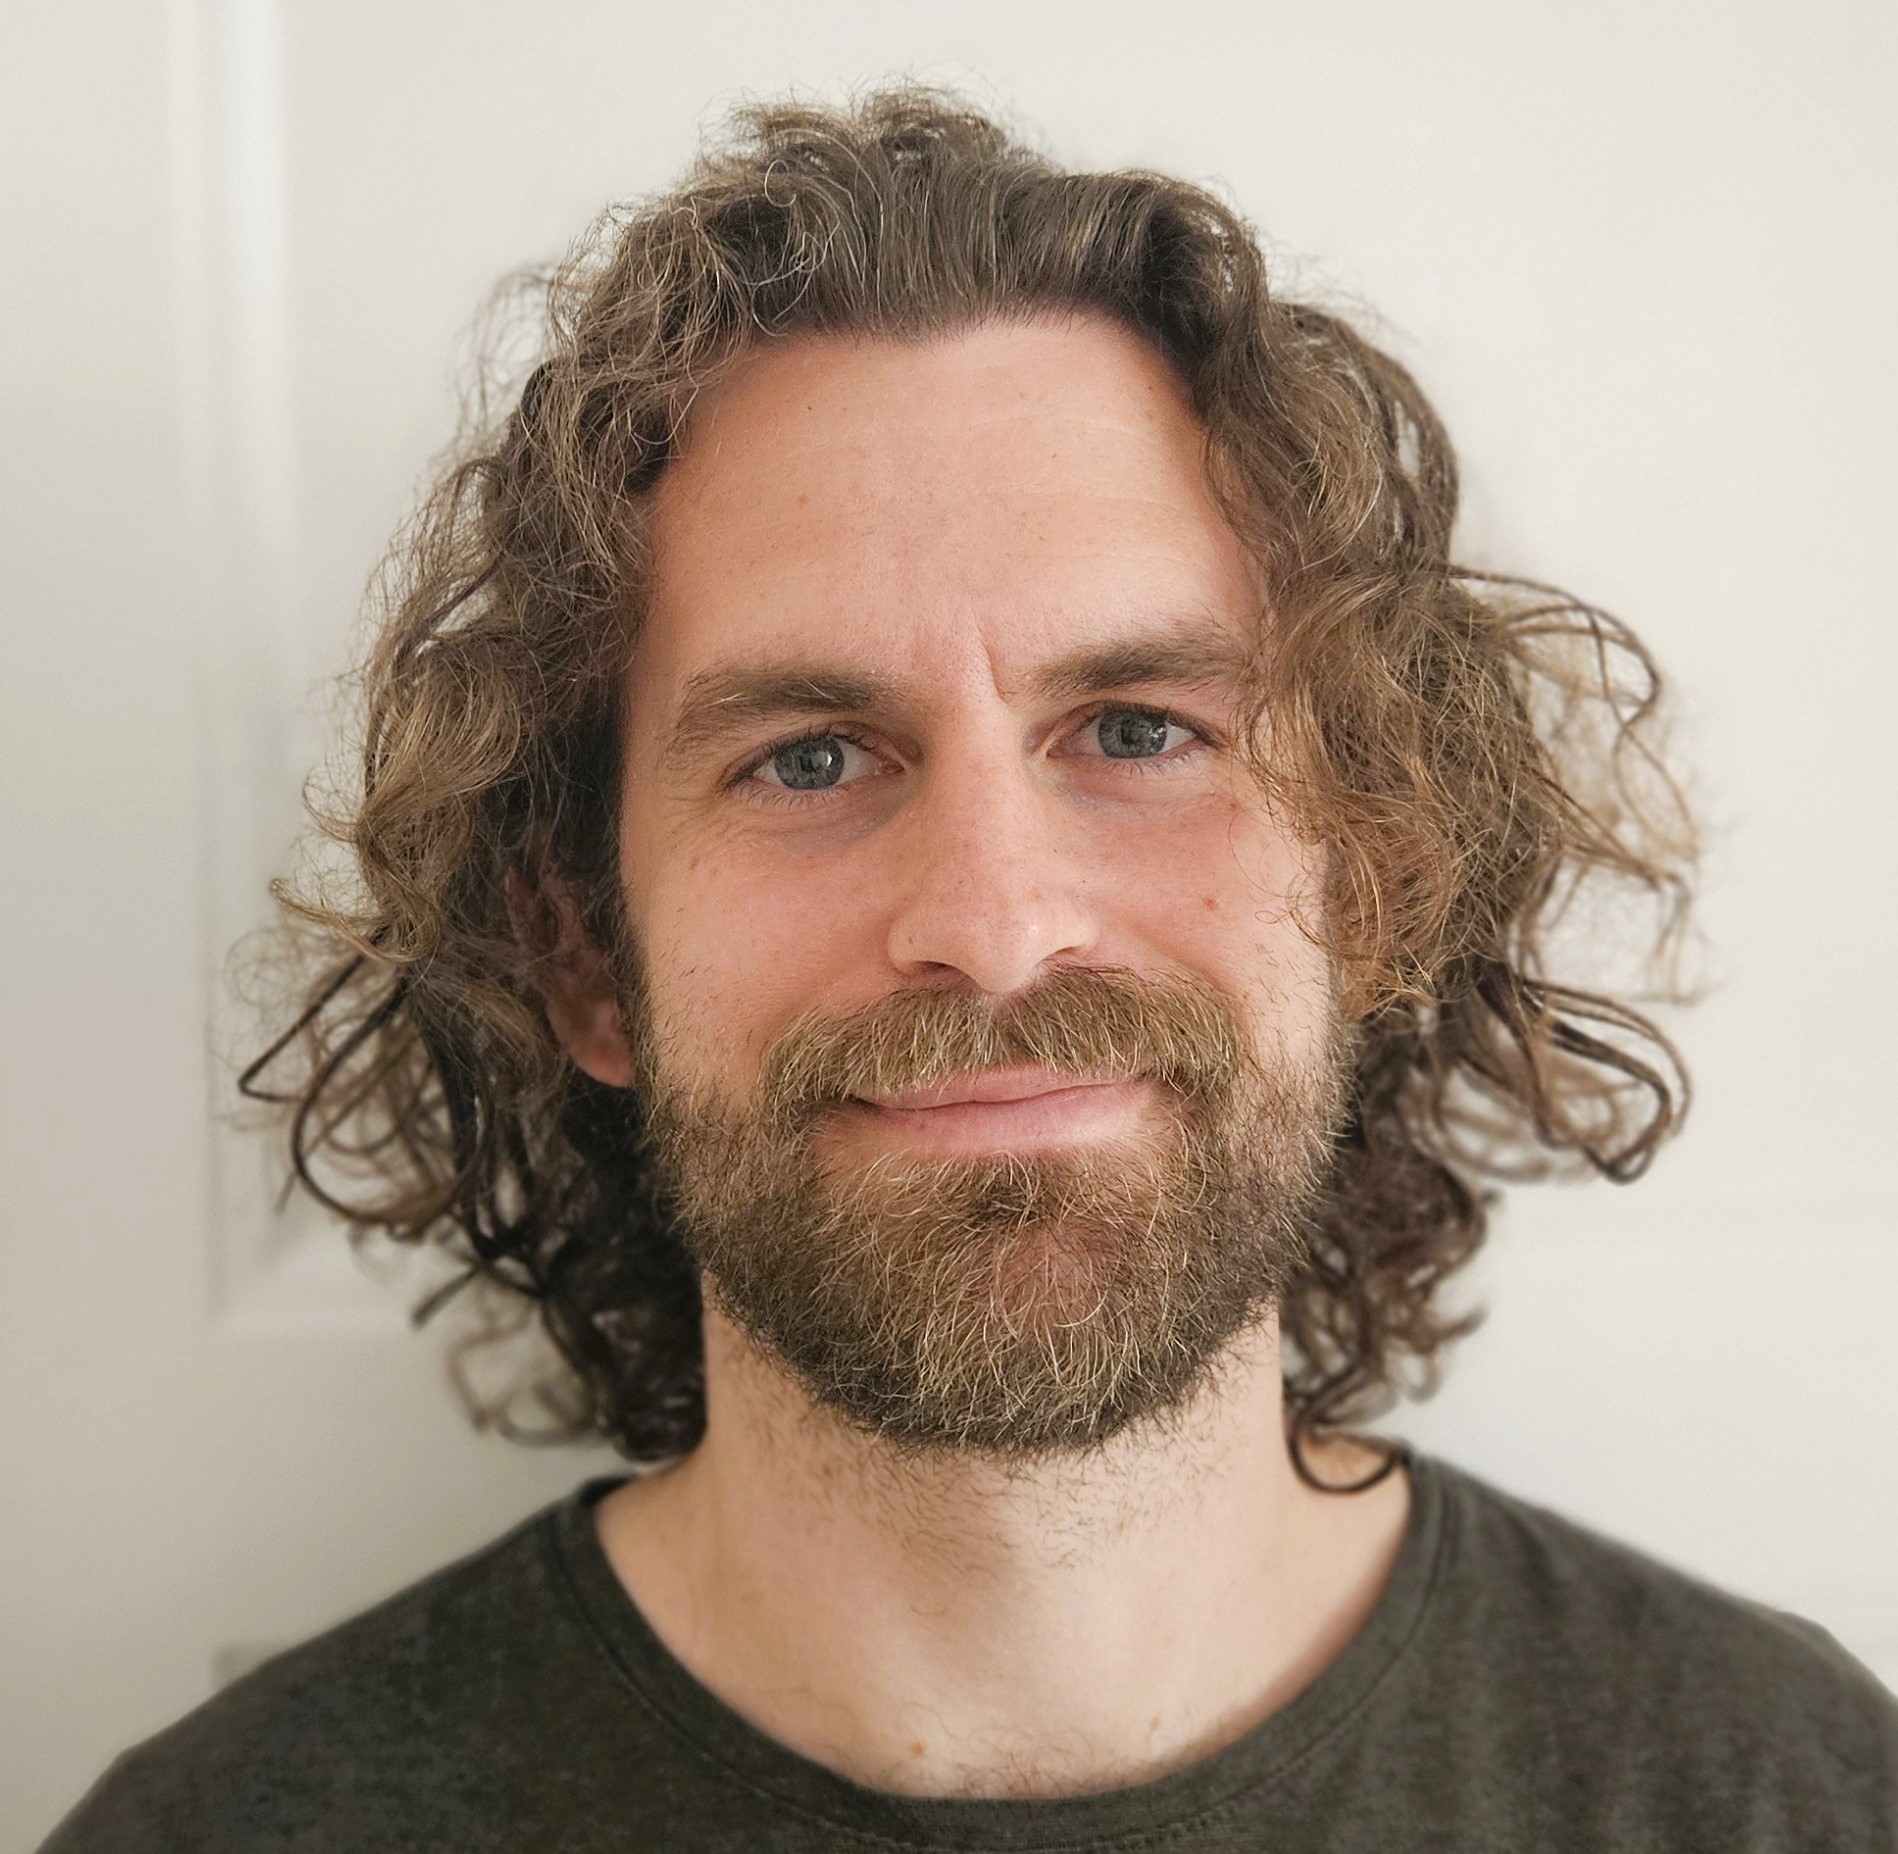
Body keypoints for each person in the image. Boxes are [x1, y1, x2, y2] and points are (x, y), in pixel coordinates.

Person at [44, 84, 1896, 1852]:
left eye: (1141, 727)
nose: (999, 924)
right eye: (810, 758)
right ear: (581, 951)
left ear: (1383, 869)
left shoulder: (1794, 1797)